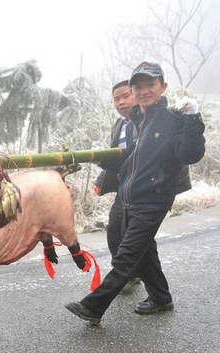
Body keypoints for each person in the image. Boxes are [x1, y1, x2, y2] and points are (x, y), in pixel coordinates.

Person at [65, 62, 205, 324]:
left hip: (153, 199)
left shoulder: (173, 119)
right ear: (133, 90)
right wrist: (96, 160)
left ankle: (93, 306)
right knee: (144, 252)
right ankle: (161, 297)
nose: (144, 91)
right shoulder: (140, 119)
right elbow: (131, 160)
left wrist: (193, 118)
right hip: (131, 197)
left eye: (150, 85)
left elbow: (190, 154)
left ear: (162, 87)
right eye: (138, 86)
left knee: (126, 257)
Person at [93, 80, 141, 293]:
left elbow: (133, 155)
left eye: (126, 96)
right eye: (117, 98)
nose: (121, 102)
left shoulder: (147, 120)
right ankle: (137, 276)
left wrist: (98, 158)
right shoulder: (120, 124)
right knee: (116, 230)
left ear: (136, 94)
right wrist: (101, 179)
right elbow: (118, 157)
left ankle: (126, 277)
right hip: (126, 187)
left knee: (131, 234)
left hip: (144, 187)